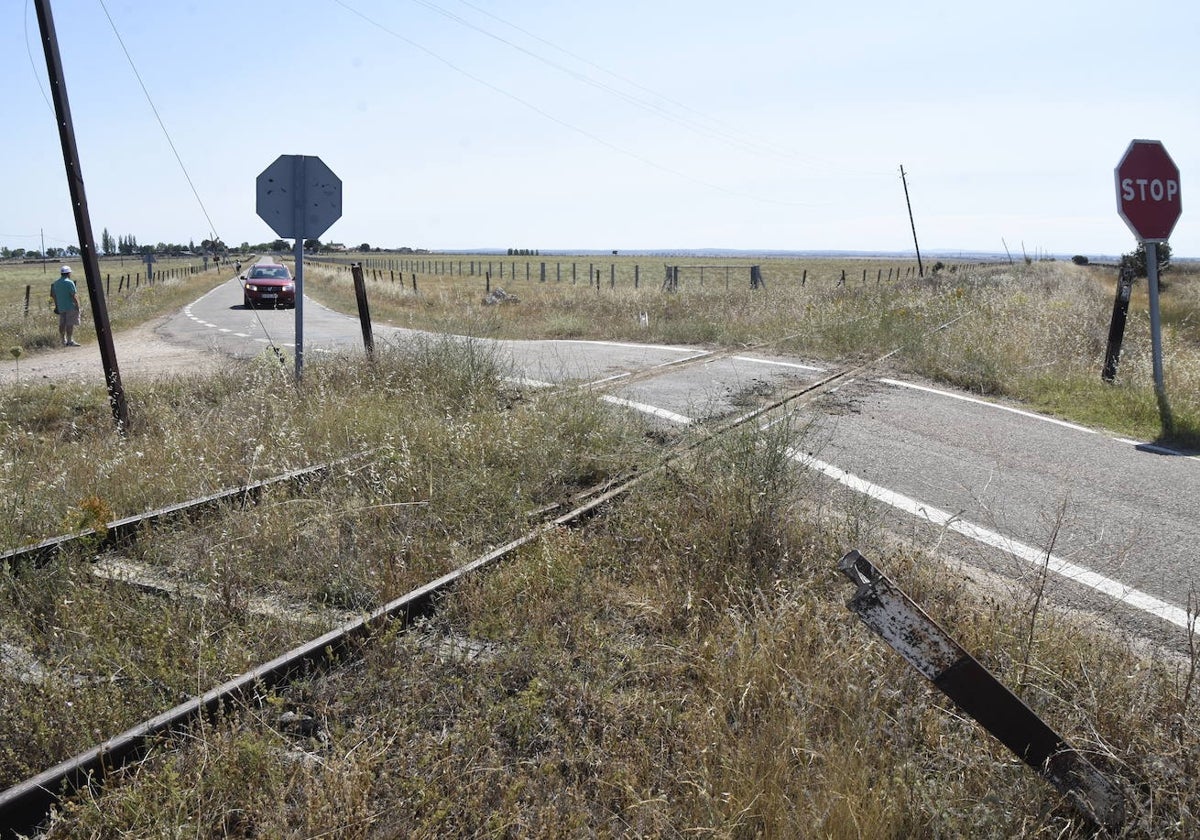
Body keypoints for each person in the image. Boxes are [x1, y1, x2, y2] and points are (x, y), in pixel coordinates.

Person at [51, 265, 82, 347]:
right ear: (68, 273)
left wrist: (57, 305)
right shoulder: (69, 282)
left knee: (62, 324)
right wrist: (77, 306)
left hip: (61, 306)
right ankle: (69, 340)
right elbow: (73, 295)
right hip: (70, 306)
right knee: (70, 324)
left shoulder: (56, 283)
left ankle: (62, 340)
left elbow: (53, 295)